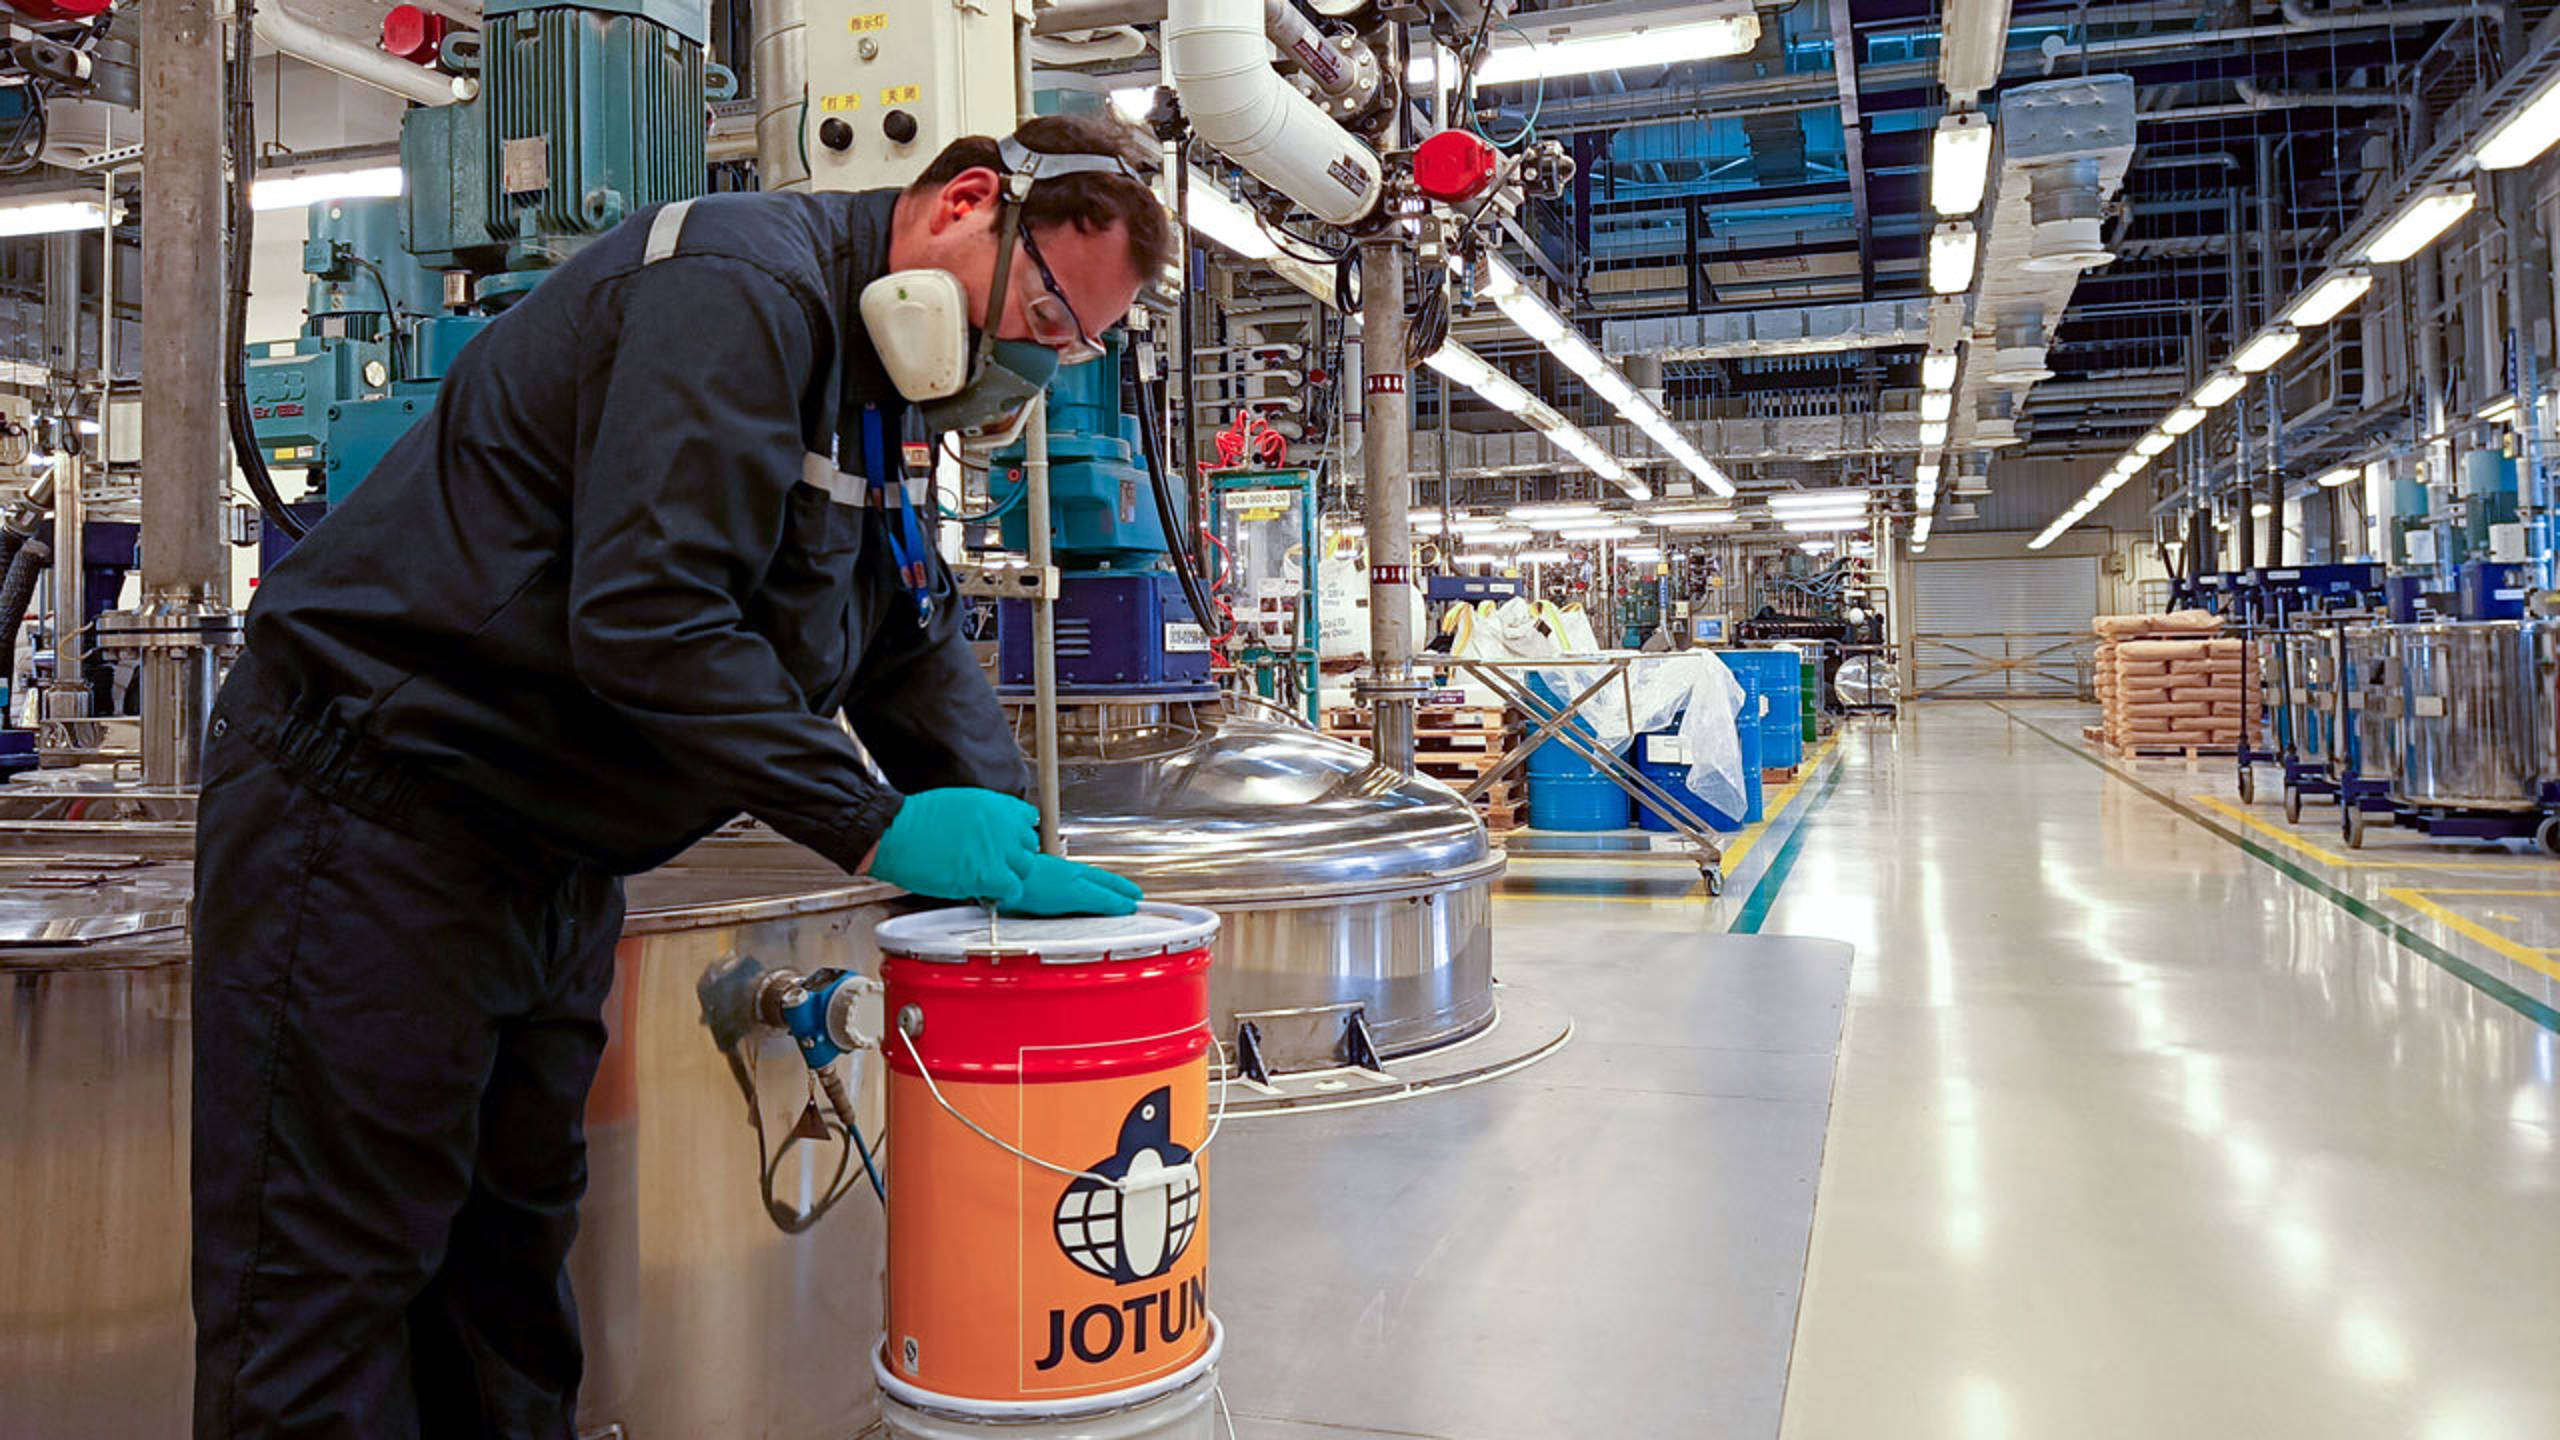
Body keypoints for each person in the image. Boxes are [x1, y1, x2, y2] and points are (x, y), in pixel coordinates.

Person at [189, 113, 1175, 1439]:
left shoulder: (877, 393)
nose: (1036, 362)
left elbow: (905, 634)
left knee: (508, 1288)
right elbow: (649, 620)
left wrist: (1014, 844)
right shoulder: (737, 291)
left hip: (542, 864)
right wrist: (875, 826)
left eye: (1072, 347)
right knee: (328, 1299)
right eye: (1046, 314)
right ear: (964, 206)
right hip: (373, 821)